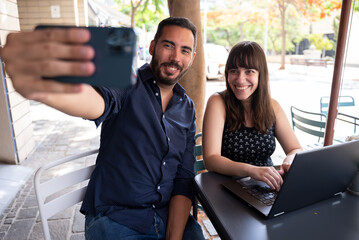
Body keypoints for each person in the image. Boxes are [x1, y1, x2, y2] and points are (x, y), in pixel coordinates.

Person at [0, 17, 205, 240]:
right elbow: (96, 101)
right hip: (116, 219)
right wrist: (45, 86)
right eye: (168, 45)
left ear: (192, 58)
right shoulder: (127, 82)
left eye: (185, 51)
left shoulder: (187, 108)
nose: (175, 57)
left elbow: (184, 179)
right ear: (153, 46)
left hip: (168, 218)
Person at [202, 41, 302, 191]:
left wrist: (290, 159)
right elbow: (211, 159)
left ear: (260, 74)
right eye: (234, 70)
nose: (240, 79)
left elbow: (295, 148)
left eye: (249, 71)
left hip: (265, 187)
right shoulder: (218, 102)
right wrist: (252, 170)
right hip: (226, 188)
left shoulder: (272, 106)